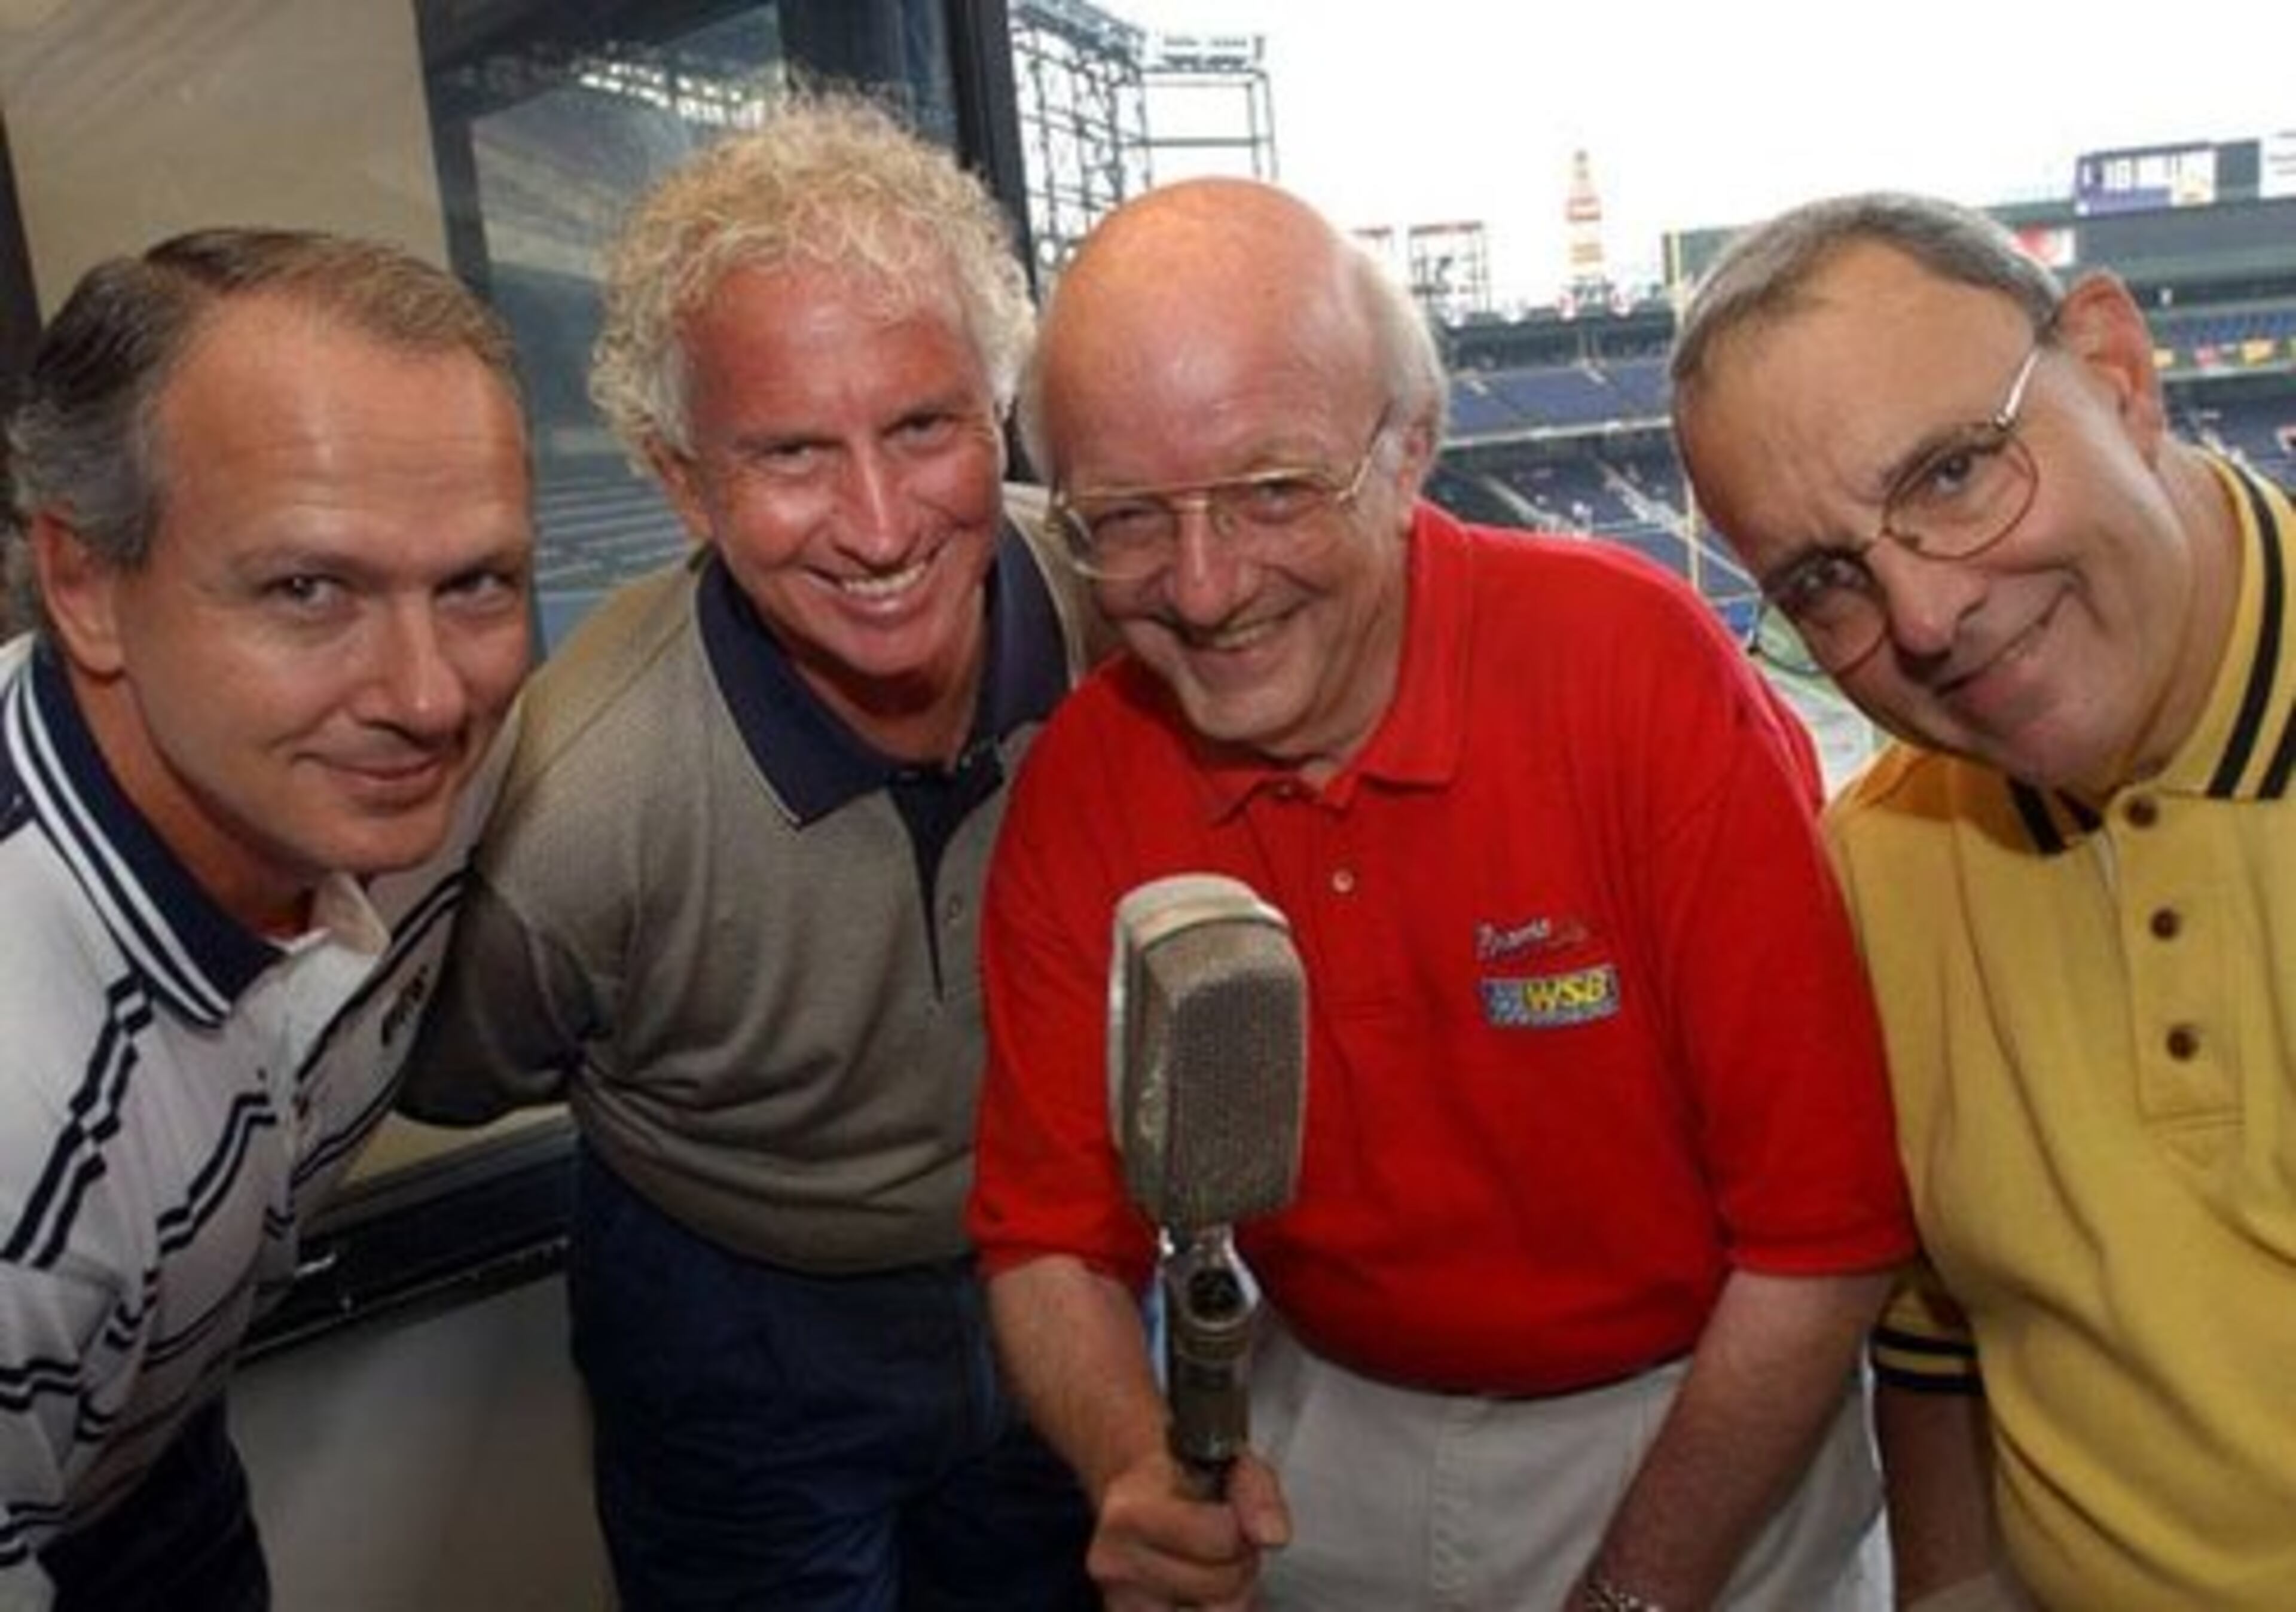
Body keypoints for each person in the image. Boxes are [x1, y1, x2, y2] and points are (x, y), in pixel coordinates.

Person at [964, 175, 1918, 1612]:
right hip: (1323, 1420)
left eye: (1275, 490)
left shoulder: (1636, 671)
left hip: (1699, 1416)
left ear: (1411, 449)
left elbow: (1824, 1241)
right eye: (1129, 519)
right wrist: (1132, 1467)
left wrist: (1632, 1597)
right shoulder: (1087, 779)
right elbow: (1047, 1237)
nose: (1208, 587)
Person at [399, 93, 1100, 1610]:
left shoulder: (1130, 625)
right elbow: (457, 1069)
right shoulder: (577, 799)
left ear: (999, 409)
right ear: (679, 479)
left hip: (1076, 1270)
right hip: (732, 1322)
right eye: (789, 451)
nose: (875, 522)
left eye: (923, 425)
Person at [1668, 189, 2296, 1612]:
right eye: (1827, 580)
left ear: (2119, 375)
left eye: (1953, 472)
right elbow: (1944, 1333)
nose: (1929, 617)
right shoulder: (1882, 862)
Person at [0, 227, 534, 1611]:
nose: (426, 696)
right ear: (83, 584)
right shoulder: (17, 1113)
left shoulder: (410, 762)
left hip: (152, 1439)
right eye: (308, 590)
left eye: (477, 581)